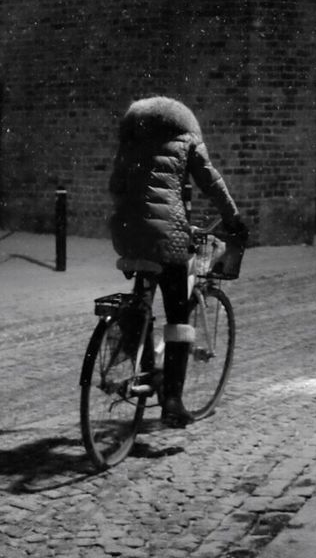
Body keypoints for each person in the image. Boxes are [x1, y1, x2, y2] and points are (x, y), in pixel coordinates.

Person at [108, 95, 247, 427]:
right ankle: (172, 400)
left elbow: (116, 185)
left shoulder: (131, 138)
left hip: (127, 231)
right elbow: (210, 182)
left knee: (141, 297)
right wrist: (234, 220)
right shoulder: (185, 138)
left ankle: (140, 360)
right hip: (166, 235)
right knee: (178, 316)